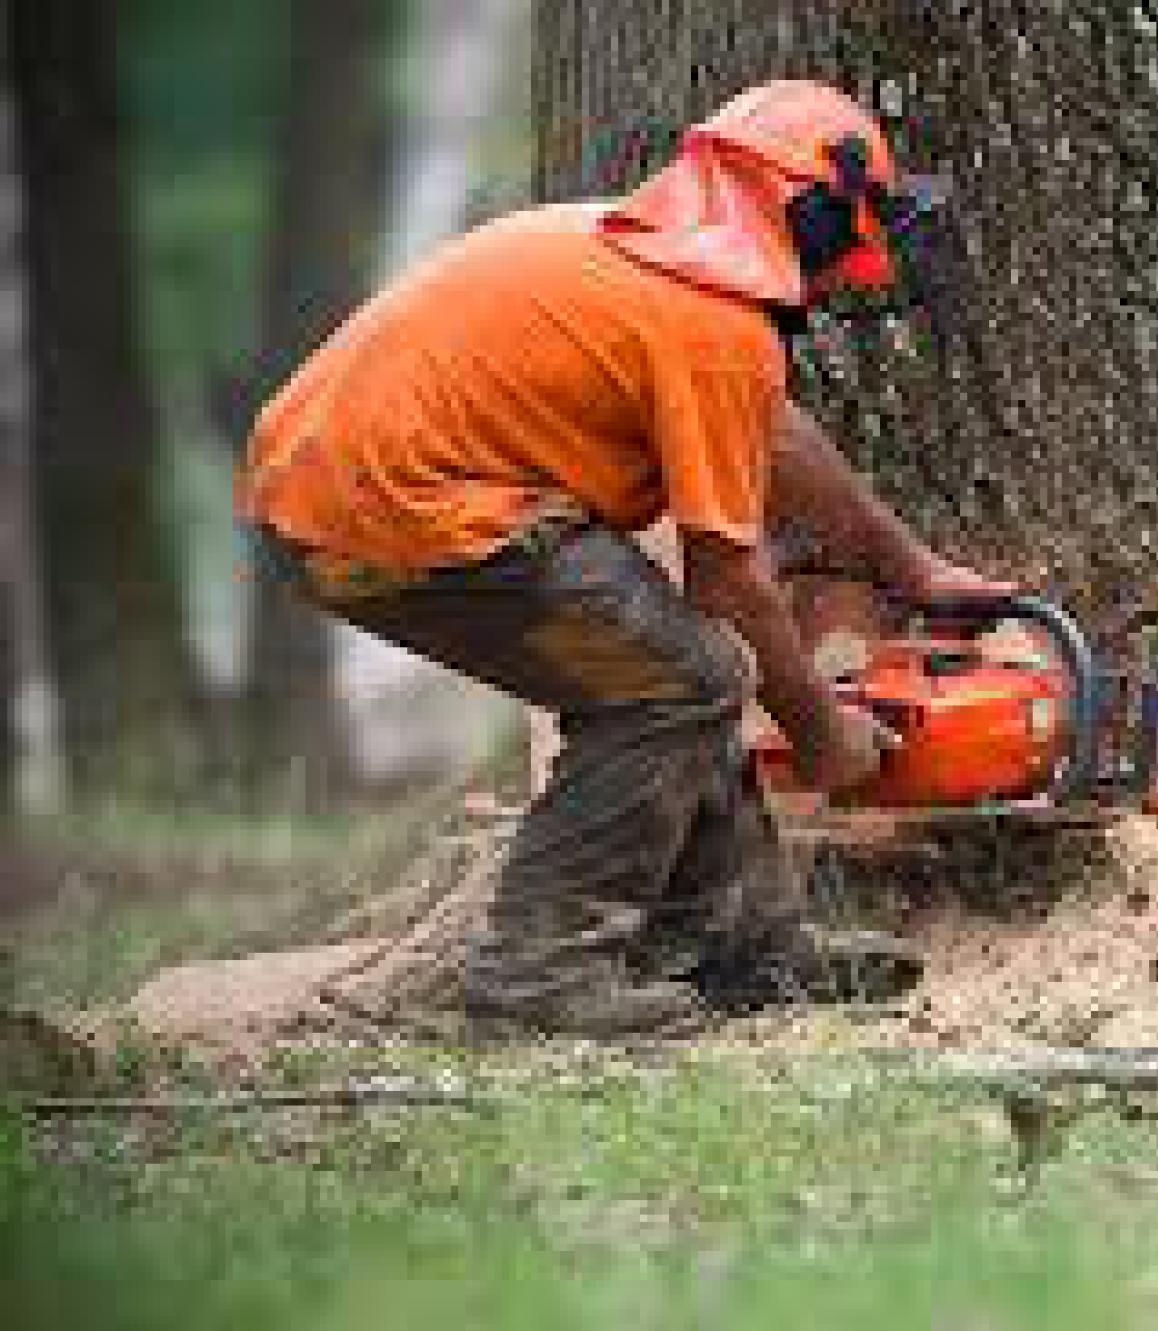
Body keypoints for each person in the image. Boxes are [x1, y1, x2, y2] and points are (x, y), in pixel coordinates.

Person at [237, 81, 1012, 1034]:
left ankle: (737, 942)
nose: (852, 264)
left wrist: (912, 568)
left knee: (673, 663)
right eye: (849, 230)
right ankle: (536, 974)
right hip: (397, 516)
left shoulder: (645, 261)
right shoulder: (715, 325)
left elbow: (772, 434)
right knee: (677, 679)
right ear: (805, 212)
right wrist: (820, 731)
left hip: (326, 498)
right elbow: (728, 577)